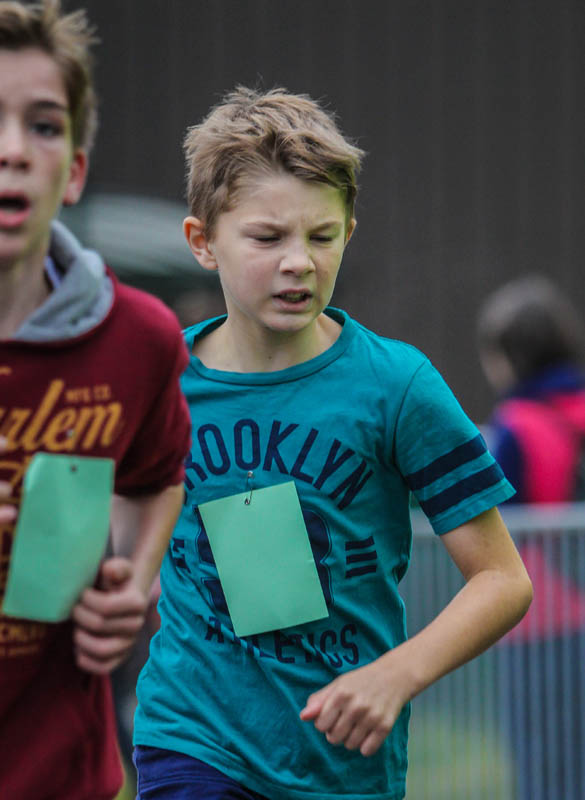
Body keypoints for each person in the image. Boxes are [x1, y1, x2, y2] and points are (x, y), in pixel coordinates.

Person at [133, 86, 533, 800]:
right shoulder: (157, 378)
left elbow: (503, 580)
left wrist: (396, 675)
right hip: (192, 738)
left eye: (322, 237)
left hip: (343, 760)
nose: (299, 262)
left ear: (348, 233)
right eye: (267, 238)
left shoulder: (397, 386)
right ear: (203, 242)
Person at [0, 2, 191, 798]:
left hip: (64, 774)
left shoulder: (138, 339)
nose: (13, 151)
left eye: (43, 126)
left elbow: (156, 478)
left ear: (74, 170)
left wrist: (135, 583)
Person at [477, 274, 585, 800]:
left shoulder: (516, 425)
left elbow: (494, 517)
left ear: (506, 357)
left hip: (541, 618)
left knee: (543, 766)